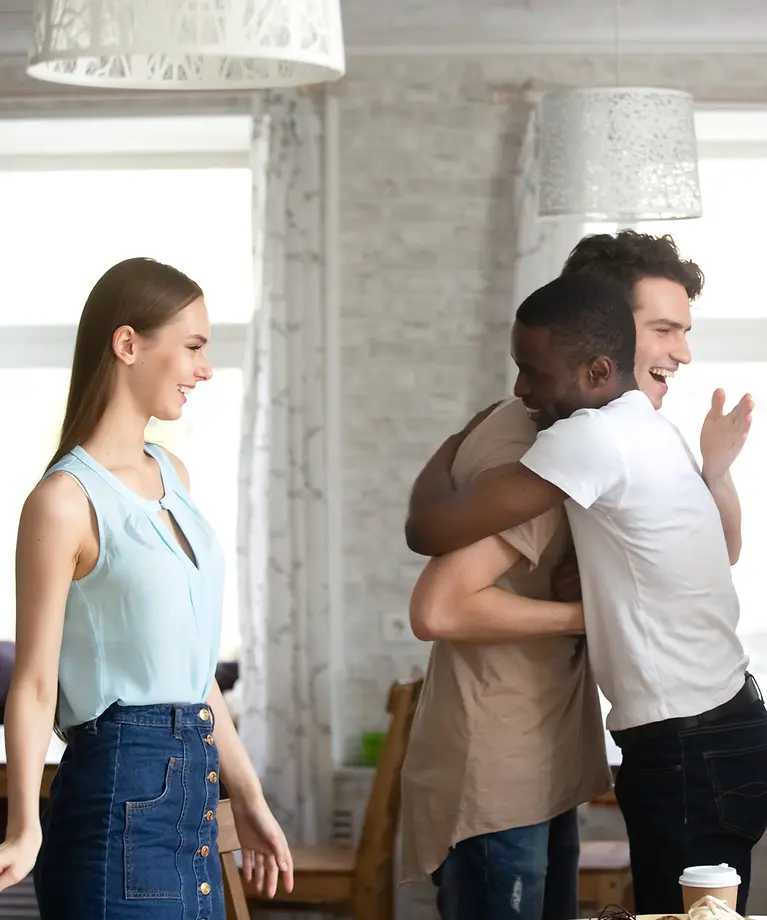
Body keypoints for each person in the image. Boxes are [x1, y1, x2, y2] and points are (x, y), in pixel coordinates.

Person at [405, 272, 765, 916]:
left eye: (533, 372)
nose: (519, 391)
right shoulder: (652, 431)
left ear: (598, 367)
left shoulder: (588, 438)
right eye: (662, 329)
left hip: (689, 745)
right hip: (719, 725)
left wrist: (453, 445)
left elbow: (428, 529)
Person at [0, 258, 294, 918]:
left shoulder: (174, 474)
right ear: (128, 344)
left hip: (193, 798)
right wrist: (24, 822)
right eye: (192, 347)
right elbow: (35, 683)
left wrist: (247, 798)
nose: (205, 369)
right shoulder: (63, 501)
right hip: (116, 799)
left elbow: (194, 676)